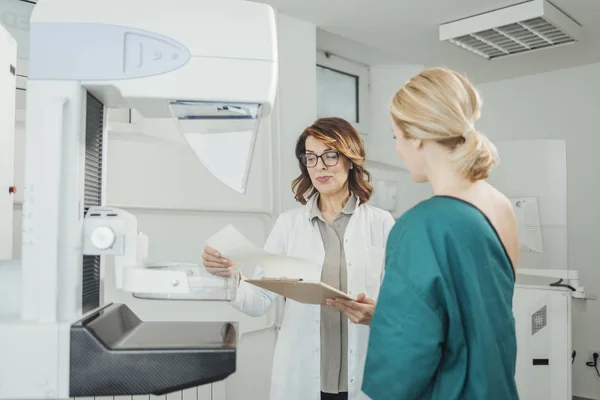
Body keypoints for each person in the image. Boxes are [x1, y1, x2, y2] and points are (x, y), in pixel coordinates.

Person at [203, 117, 395, 400]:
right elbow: (258, 301)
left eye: (330, 155)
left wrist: (378, 314)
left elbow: (403, 303)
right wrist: (230, 274)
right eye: (311, 157)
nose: (320, 166)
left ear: (351, 159)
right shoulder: (288, 225)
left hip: (365, 375)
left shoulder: (382, 223)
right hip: (303, 376)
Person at [361, 68, 520, 400]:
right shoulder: (500, 205)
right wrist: (387, 315)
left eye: (395, 137)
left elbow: (401, 364)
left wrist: (393, 325)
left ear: (416, 136)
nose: (398, 150)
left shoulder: (421, 225)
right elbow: (471, 315)